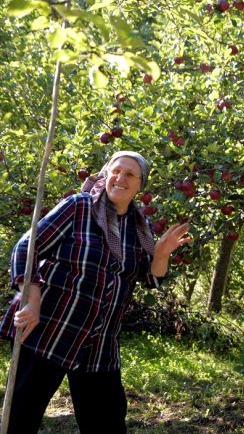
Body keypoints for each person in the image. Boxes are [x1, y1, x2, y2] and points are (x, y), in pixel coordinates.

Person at [0, 151, 191, 434]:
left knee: (107, 425)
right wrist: (33, 299)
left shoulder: (140, 228)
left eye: (130, 175)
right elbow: (26, 249)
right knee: (19, 420)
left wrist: (161, 253)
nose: (121, 178)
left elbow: (151, 278)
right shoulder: (78, 207)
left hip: (99, 344)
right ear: (105, 174)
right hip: (50, 331)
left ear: (140, 185)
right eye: (116, 171)